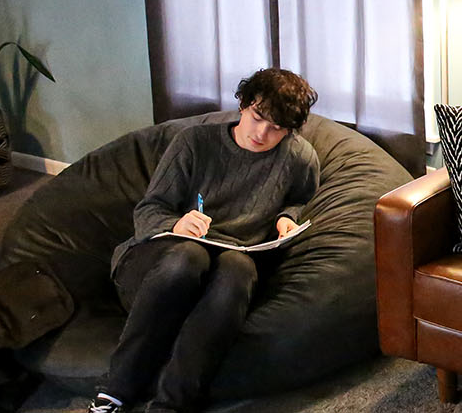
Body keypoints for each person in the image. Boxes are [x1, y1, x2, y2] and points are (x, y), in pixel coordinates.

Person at [87, 69, 321, 413]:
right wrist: (177, 223)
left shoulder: (299, 157)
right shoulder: (194, 143)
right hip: (160, 264)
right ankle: (115, 391)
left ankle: (173, 405)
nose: (262, 133)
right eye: (258, 118)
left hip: (231, 258)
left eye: (277, 128)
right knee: (189, 258)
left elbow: (299, 198)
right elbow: (148, 210)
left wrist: (287, 218)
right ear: (243, 104)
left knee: (239, 269)